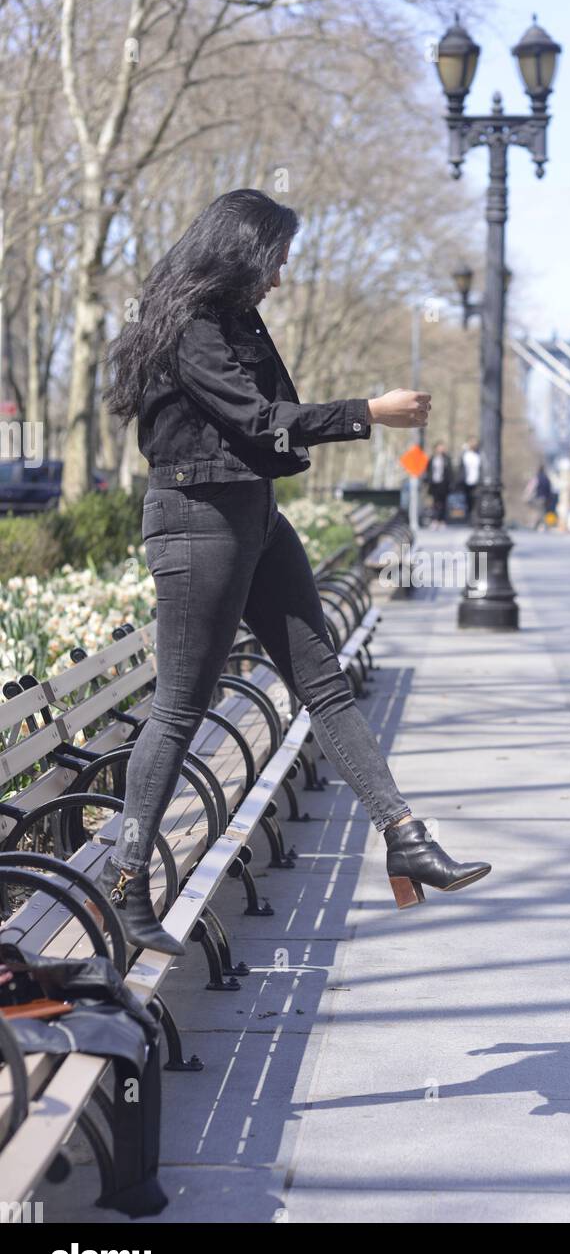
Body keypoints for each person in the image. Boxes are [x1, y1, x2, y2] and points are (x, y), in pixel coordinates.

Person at [96, 188, 491, 955]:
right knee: (181, 708)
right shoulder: (188, 326)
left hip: (254, 517)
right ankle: (125, 880)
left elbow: (273, 420)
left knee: (325, 681)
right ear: (240, 251)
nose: (280, 276)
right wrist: (368, 411)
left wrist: (343, 414)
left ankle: (404, 835)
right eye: (274, 259)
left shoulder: (236, 317)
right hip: (195, 522)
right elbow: (258, 421)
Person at [424, 441, 452, 529]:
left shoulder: (447, 459)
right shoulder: (432, 459)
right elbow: (428, 471)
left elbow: (450, 472)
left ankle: (442, 520)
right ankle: (435, 520)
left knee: (443, 503)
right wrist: (427, 481)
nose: (441, 449)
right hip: (434, 484)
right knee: (435, 503)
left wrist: (451, 483)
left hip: (443, 484)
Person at [525, 463, 555, 530]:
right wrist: (549, 498)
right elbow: (550, 489)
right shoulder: (547, 479)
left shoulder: (537, 478)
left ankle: (534, 525)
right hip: (545, 498)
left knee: (536, 512)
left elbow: (530, 487)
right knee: (542, 511)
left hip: (537, 497)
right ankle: (542, 526)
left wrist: (527, 495)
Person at [459, 438, 481, 522]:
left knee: (477, 500)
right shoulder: (465, 455)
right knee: (468, 500)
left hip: (477, 481)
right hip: (467, 482)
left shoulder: (479, 454)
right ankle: (470, 518)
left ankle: (475, 518)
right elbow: (461, 468)